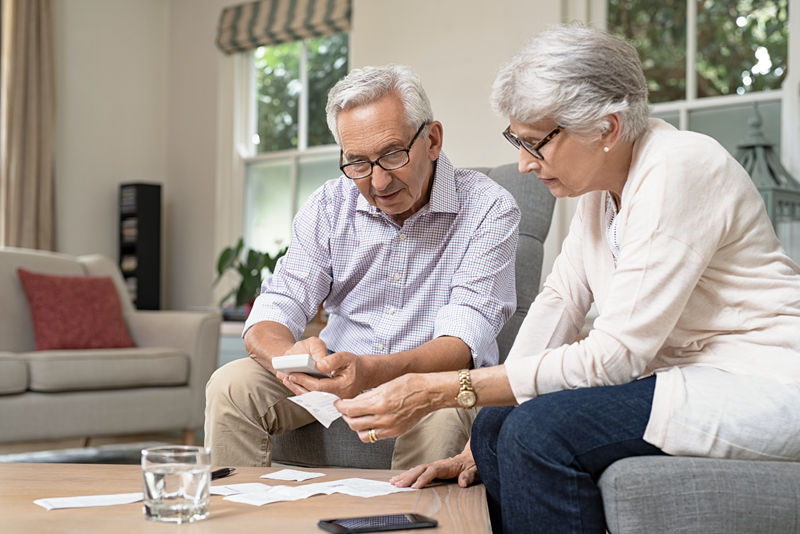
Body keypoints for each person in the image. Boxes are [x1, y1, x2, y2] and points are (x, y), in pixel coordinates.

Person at [334, 24, 800, 533]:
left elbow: (618, 355)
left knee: (539, 434)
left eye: (536, 143)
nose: (523, 163)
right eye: (518, 141)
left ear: (608, 128)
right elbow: (558, 302)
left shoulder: (679, 167)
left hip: (760, 382)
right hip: (687, 377)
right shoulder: (602, 193)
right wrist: (474, 436)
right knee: (494, 425)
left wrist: (442, 389)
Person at [204, 64, 521, 470]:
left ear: (433, 140)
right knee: (232, 386)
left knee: (445, 412)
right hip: (334, 374)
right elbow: (278, 303)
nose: (378, 181)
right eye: (357, 162)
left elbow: (462, 342)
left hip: (432, 382)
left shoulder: (488, 208)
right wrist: (291, 358)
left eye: (392, 154)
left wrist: (371, 372)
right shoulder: (328, 205)